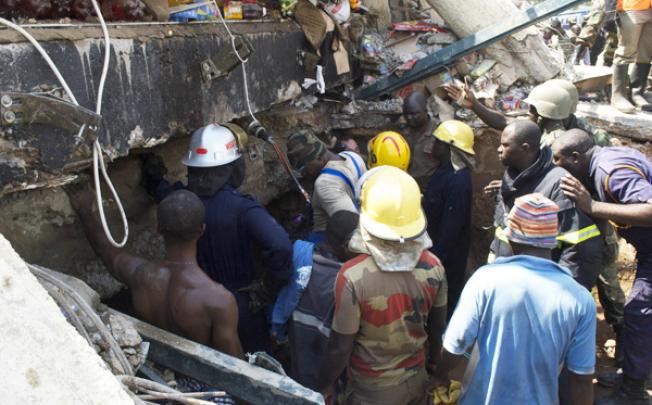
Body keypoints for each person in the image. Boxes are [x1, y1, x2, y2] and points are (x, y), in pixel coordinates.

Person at [141, 124, 292, 353]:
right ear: (231, 168)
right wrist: (267, 288)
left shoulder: (180, 203)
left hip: (195, 302)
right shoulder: (243, 209)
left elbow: (163, 192)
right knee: (257, 364)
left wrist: (153, 177)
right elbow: (280, 245)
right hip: (243, 306)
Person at [432, 193, 596, 405]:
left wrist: (440, 375)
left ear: (510, 237)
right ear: (553, 241)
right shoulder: (580, 299)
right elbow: (581, 378)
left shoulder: (485, 279)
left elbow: (456, 345)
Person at [317, 166, 448, 405]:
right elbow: (438, 328)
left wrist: (324, 385)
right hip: (418, 380)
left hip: (371, 391)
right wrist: (436, 370)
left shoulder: (353, 276)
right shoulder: (434, 266)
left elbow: (340, 347)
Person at [67, 186, 243, 358]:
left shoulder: (140, 275)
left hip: (153, 367)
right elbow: (235, 364)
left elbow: (105, 249)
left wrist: (85, 209)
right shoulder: (219, 300)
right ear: (202, 230)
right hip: (198, 382)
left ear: (158, 228)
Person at [552, 130, 652, 404]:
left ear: (576, 158)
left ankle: (634, 392)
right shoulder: (603, 163)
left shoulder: (612, 173)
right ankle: (633, 374)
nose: (556, 167)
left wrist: (593, 205)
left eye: (558, 160)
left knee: (639, 314)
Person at [489, 120, 601, 289]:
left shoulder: (559, 184)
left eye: (505, 145)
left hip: (541, 285)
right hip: (507, 279)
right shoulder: (511, 177)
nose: (499, 149)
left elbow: (579, 248)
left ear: (525, 148)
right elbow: (502, 230)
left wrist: (560, 292)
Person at [288, 210, 359, 391]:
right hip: (328, 360)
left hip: (298, 342)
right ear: (347, 244)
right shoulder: (348, 280)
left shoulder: (302, 259)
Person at [423, 120, 474, 317]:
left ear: (449, 147)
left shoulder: (458, 180)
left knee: (444, 304)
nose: (434, 146)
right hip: (435, 250)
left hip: (446, 259)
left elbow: (451, 227)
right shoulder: (445, 171)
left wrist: (435, 260)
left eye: (438, 142)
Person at [286, 129, 367, 243]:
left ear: (319, 158)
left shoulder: (325, 183)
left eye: (303, 168)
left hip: (330, 245)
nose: (303, 174)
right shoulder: (352, 156)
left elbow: (351, 230)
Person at [609, 0, 651, 113]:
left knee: (646, 53)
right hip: (631, 6)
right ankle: (618, 95)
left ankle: (637, 93)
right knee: (626, 50)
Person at [400, 90, 440, 191]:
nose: (409, 117)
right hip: (408, 186)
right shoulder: (403, 132)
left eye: (414, 113)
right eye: (406, 114)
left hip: (432, 187)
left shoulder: (439, 132)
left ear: (425, 110)